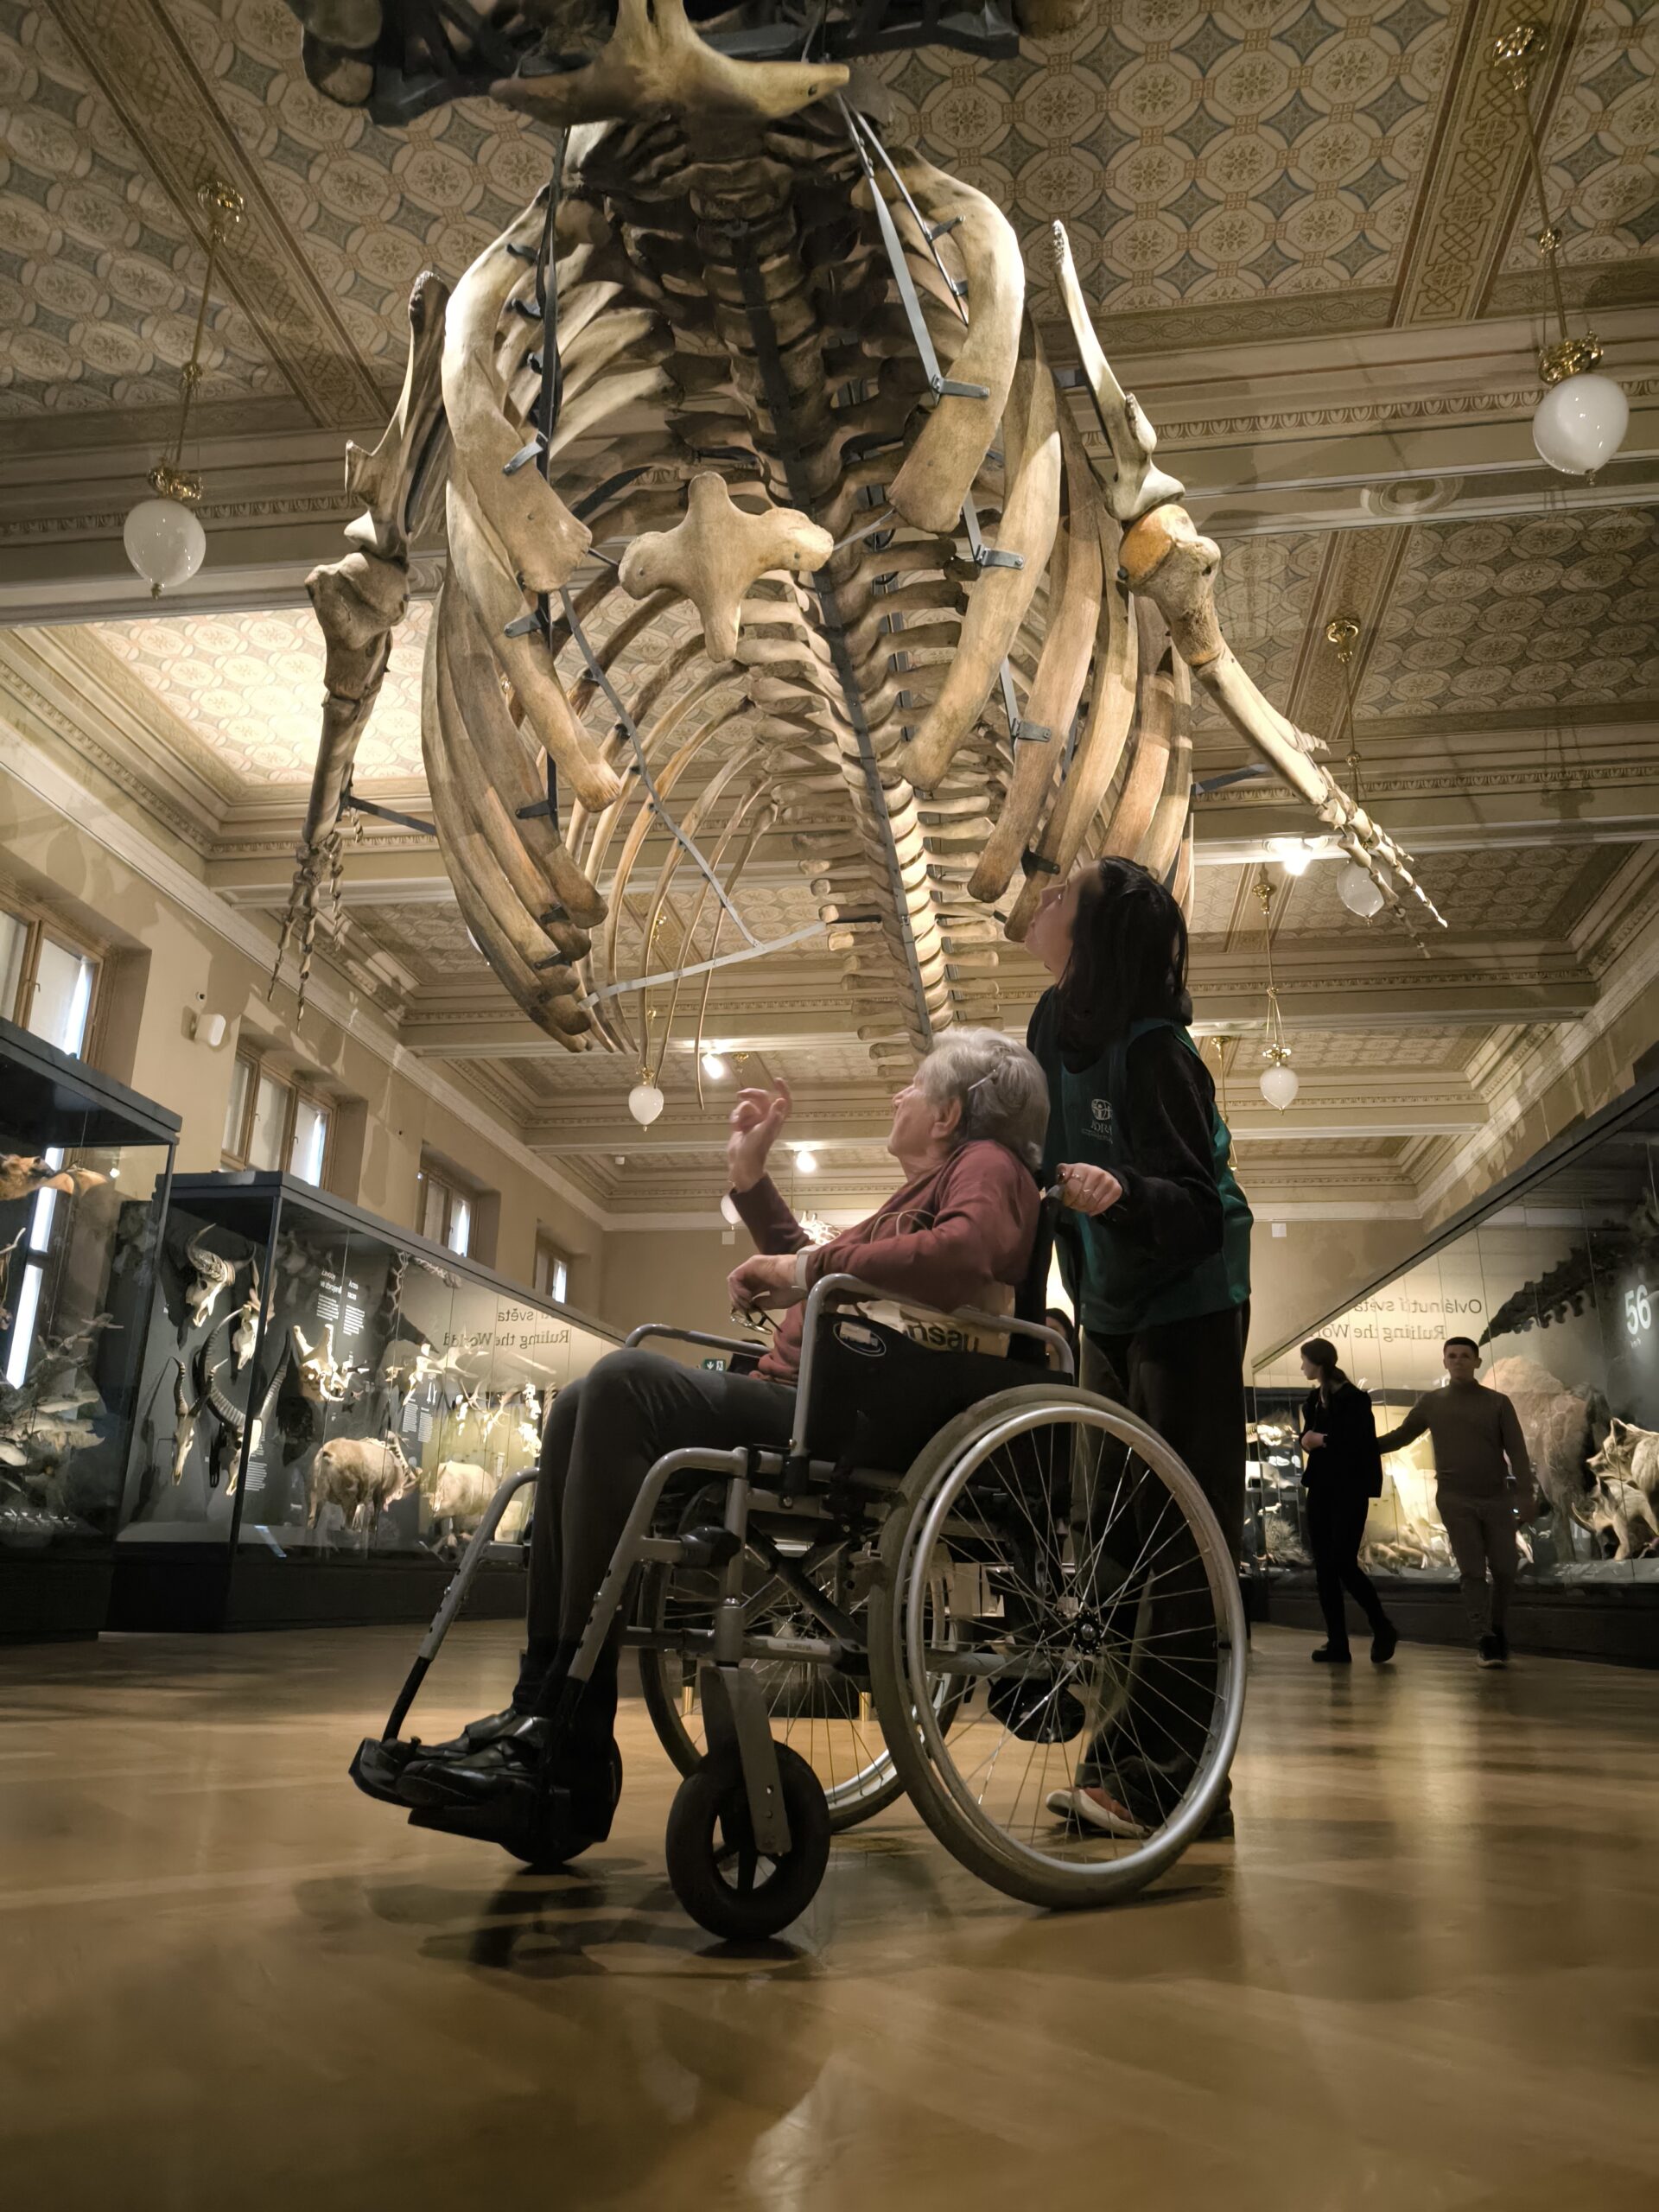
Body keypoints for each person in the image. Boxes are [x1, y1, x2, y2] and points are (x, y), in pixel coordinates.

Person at [386, 1028, 1050, 1846]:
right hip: (814, 1403)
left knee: (624, 1386)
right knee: (578, 1404)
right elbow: (832, 1268)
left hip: (844, 1420)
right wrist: (751, 1183)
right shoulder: (920, 1192)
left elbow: (959, 1255)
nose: (897, 1095)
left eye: (914, 1085)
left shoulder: (988, 1166)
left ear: (949, 1115)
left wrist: (798, 1271)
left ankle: (567, 1731)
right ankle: (544, 1706)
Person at [1023, 856, 1253, 1840]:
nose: (1042, 897)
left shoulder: (1160, 1052)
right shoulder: (1049, 1023)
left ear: (1099, 936)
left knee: (1182, 1538)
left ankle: (1165, 1780)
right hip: (1110, 1305)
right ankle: (1147, 1772)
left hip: (1189, 1303)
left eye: (1062, 894)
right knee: (1112, 1532)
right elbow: (1042, 1180)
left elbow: (1196, 1208)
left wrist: (1123, 1194)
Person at [1374, 1336, 1535, 1668]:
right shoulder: (1432, 1403)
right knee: (1472, 1570)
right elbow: (1401, 1437)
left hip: (1496, 1497)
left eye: (1464, 1356)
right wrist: (1355, 1444)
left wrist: (1525, 1494)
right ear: (1445, 1362)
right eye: (1452, 1356)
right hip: (1455, 1498)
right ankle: (1485, 1639)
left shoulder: (1498, 1402)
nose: (1458, 1360)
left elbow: (1517, 1451)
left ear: (1477, 1362)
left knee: (1505, 1569)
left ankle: (1498, 1628)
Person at [1298, 1337, 1396, 1667]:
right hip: (1321, 1487)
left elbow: (1359, 1442)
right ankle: (1337, 1642)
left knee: (1342, 1561)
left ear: (1317, 1362)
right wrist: (1311, 1440)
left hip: (1349, 1489)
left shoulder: (1354, 1399)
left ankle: (1381, 1625)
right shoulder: (1313, 1400)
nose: (1302, 1367)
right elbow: (1309, 1438)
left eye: (1305, 1360)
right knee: (1325, 1566)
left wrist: (1321, 1440)